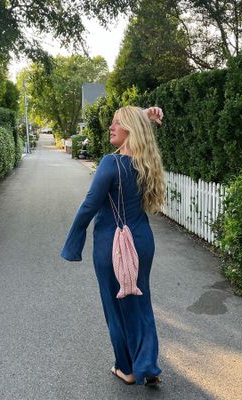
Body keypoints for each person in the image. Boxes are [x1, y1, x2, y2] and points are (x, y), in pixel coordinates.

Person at [60, 106, 165, 386]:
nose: (110, 127)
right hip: (141, 241)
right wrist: (142, 115)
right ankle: (148, 364)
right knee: (140, 301)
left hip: (113, 245)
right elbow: (136, 130)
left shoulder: (111, 163)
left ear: (130, 129)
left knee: (116, 306)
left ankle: (127, 369)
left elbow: (88, 207)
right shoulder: (147, 163)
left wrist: (72, 244)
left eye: (116, 123)